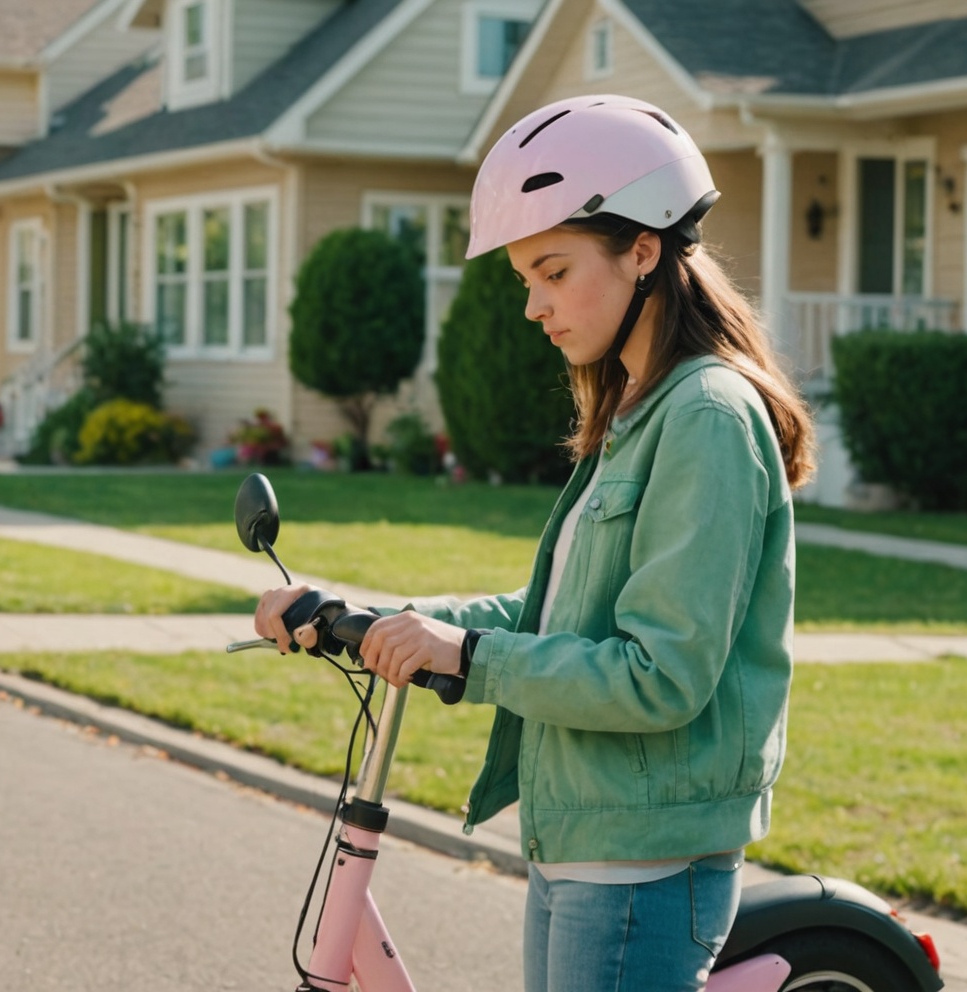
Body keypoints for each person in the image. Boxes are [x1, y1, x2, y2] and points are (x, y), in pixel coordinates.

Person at [253, 95, 815, 992]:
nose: (532, 306)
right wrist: (374, 620)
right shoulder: (636, 414)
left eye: (552, 272)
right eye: (526, 279)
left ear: (643, 249)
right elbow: (551, 615)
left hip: (642, 864)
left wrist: (469, 658)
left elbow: (660, 673)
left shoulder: (706, 416)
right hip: (582, 840)